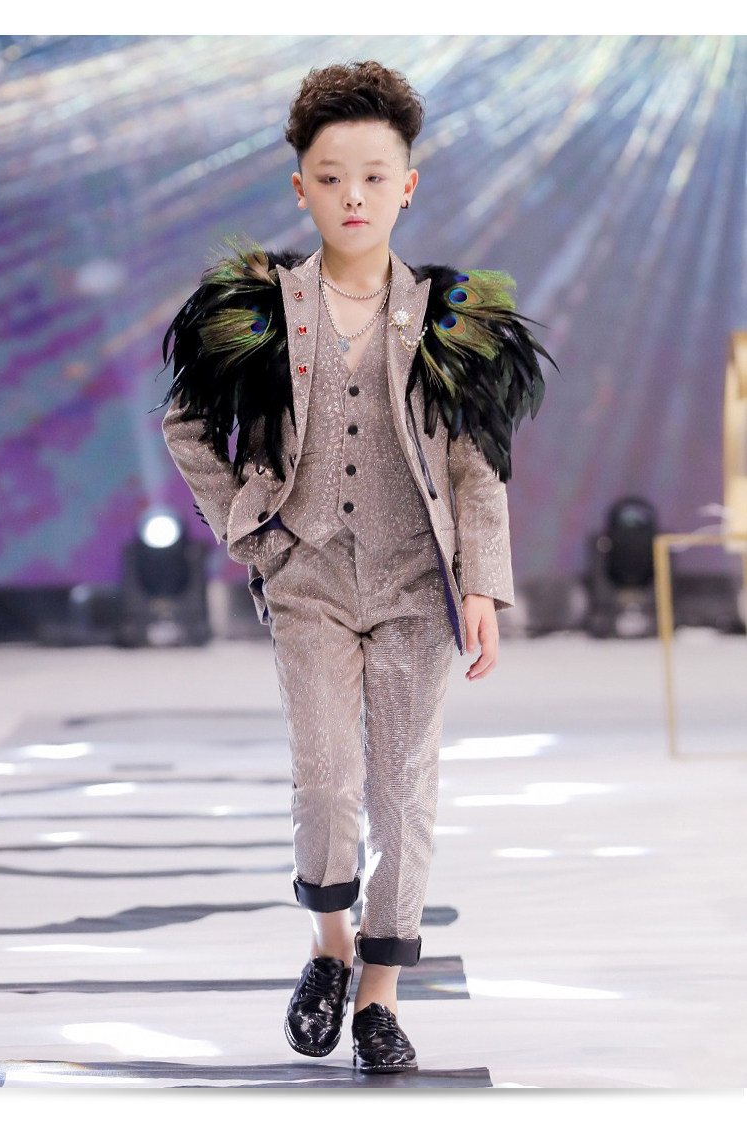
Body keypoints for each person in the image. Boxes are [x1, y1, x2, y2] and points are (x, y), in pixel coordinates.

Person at [159, 60, 551, 1074]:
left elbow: (477, 463)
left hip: (418, 584)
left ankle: (379, 991)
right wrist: (248, 527)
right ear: (300, 187)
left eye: (375, 177)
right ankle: (329, 946)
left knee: (403, 790)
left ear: (407, 186)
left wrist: (481, 585)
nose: (354, 198)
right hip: (308, 578)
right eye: (331, 178)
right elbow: (185, 424)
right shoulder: (255, 306)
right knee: (328, 777)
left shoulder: (453, 314)